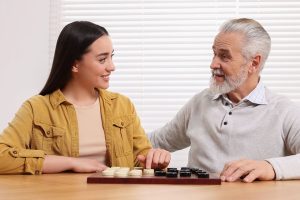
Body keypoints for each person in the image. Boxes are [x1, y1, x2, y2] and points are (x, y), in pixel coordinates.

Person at [0, 21, 170, 175]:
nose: (112, 67)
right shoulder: (36, 108)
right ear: (75, 64)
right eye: (102, 59)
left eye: (112, 56)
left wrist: (155, 160)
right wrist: (70, 163)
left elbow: (141, 160)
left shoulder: (123, 106)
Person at [149, 18, 300, 183]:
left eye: (224, 57)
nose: (213, 64)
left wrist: (270, 167)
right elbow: (154, 142)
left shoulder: (283, 111)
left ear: (254, 64)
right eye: (214, 54)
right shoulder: (200, 103)